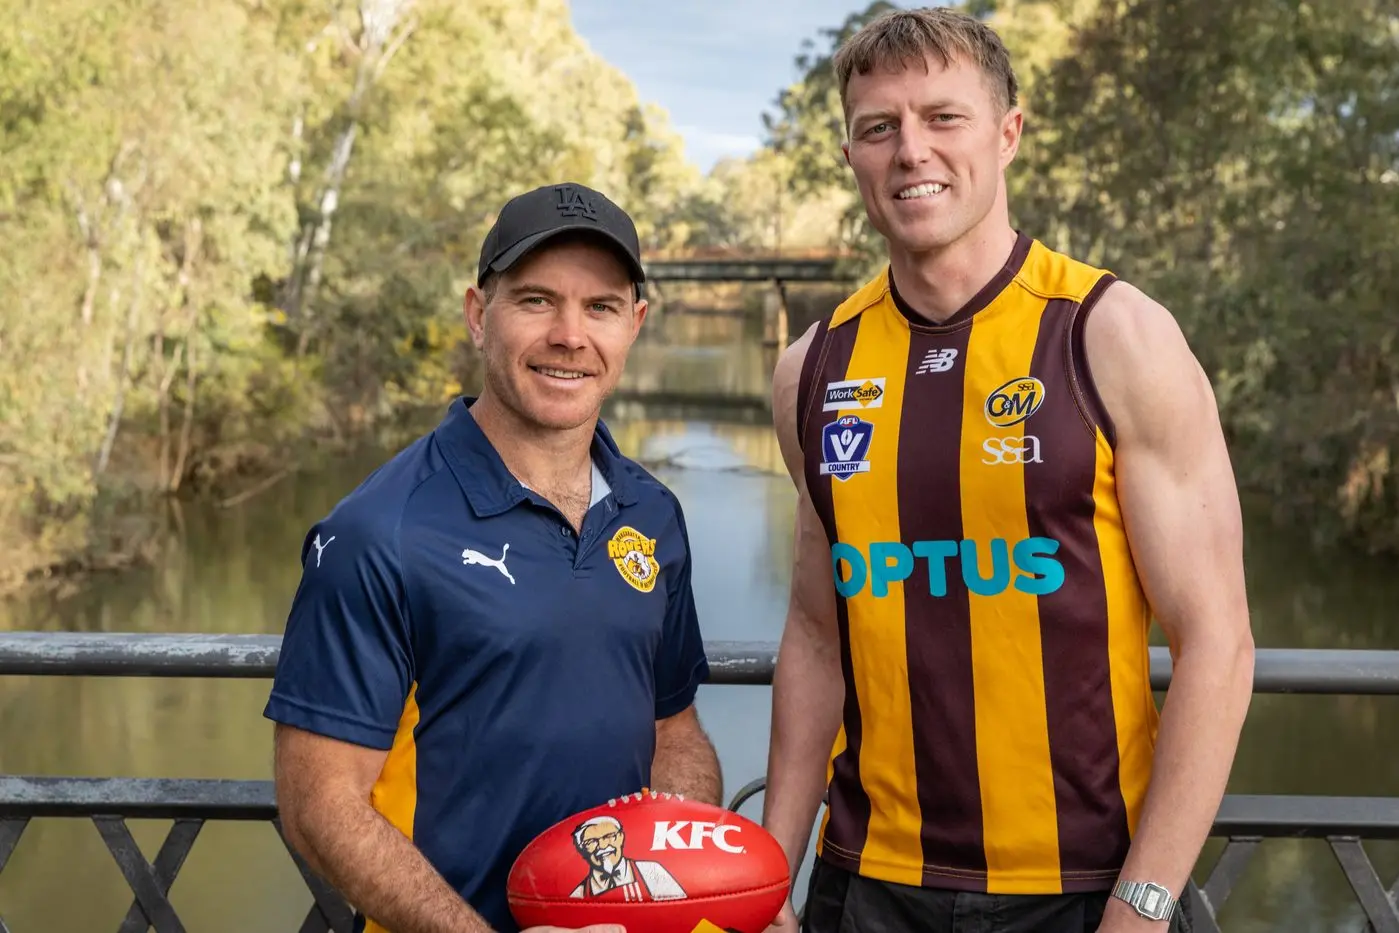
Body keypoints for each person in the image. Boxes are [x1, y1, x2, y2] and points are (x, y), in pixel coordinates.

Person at [760, 8, 1255, 933]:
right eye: (879, 127)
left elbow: (1216, 644)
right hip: (863, 881)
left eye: (942, 117)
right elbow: (816, 635)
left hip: (1082, 886)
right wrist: (766, 872)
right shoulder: (812, 367)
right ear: (852, 155)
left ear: (1007, 133)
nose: (911, 150)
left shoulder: (1113, 335)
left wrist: (1140, 906)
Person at [264, 181, 723, 933]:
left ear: (634, 325)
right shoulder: (380, 531)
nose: (570, 335)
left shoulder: (652, 516)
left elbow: (673, 729)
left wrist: (679, 879)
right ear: (480, 315)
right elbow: (319, 806)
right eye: (536, 301)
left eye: (601, 306)